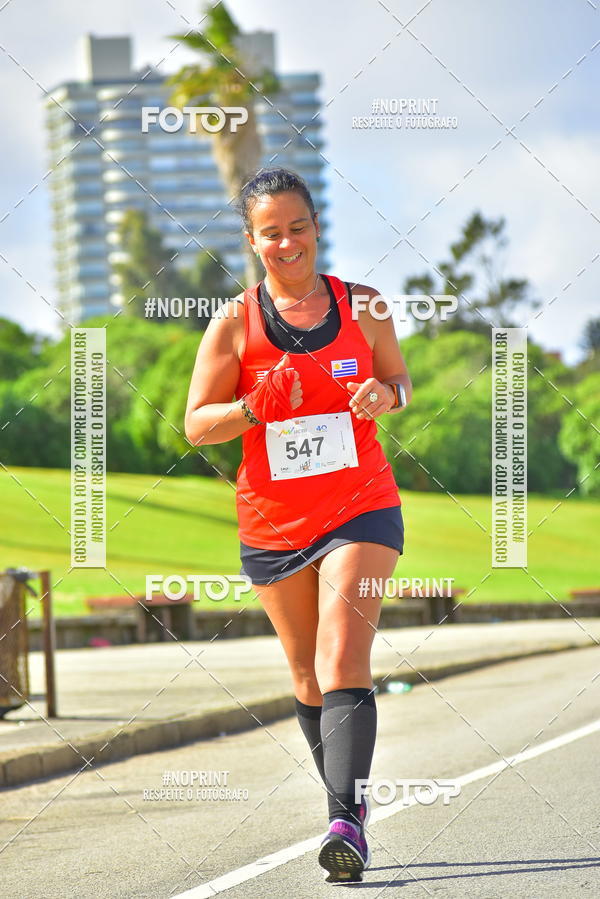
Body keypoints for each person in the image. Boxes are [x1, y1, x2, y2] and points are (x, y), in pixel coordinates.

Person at [184, 167, 412, 884]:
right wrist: (254, 405)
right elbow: (197, 424)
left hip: (361, 504)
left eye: (298, 227)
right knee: (307, 675)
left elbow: (400, 381)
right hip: (274, 522)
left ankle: (344, 823)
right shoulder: (233, 323)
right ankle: (344, 802)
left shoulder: (364, 305)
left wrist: (386, 392)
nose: (287, 242)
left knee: (343, 657)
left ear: (316, 227)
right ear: (253, 242)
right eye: (270, 232)